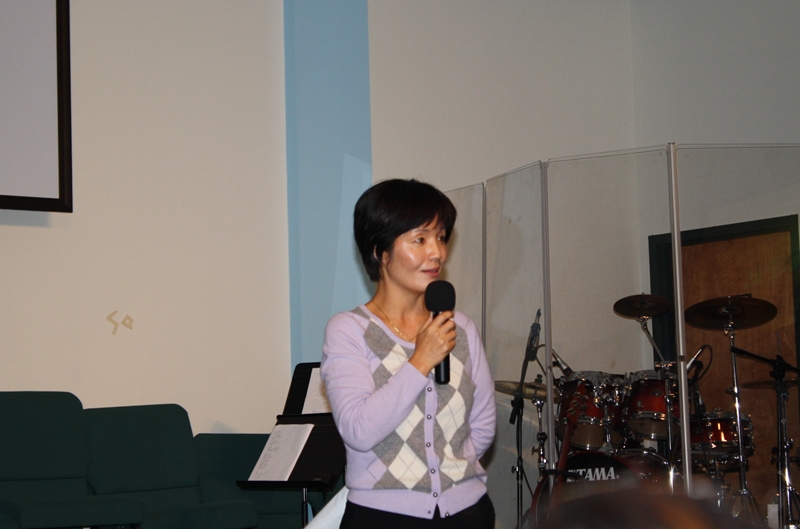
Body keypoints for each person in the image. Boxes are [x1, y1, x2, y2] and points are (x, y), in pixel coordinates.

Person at [320, 179, 496, 529]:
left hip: (467, 512)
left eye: (441, 237)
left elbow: (483, 424)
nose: (437, 253)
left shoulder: (461, 327)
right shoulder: (349, 330)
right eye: (420, 239)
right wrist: (420, 361)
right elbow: (358, 430)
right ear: (380, 252)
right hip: (381, 517)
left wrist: (452, 475)